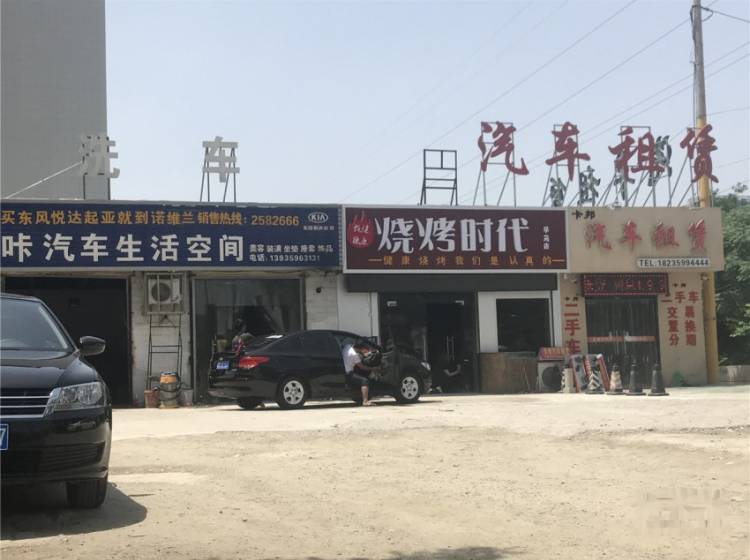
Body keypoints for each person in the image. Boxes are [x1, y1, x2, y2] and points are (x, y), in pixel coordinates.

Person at [343, 341, 375, 406]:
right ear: (359, 349)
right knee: (364, 381)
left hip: (344, 370)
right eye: (362, 350)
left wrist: (363, 354)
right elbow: (362, 367)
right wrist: (374, 368)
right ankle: (365, 401)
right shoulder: (354, 355)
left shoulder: (347, 346)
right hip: (349, 373)